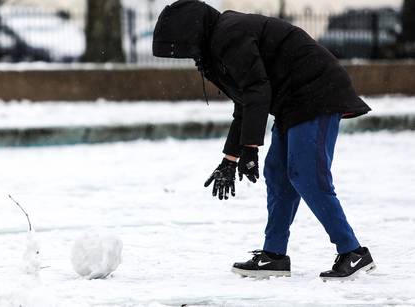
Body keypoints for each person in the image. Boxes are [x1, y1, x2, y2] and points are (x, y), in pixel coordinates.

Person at [152, 0, 376, 281]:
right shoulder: (218, 44)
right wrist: (230, 159)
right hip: (291, 101)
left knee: (306, 174)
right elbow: (245, 102)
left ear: (191, 33)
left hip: (318, 92)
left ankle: (353, 251)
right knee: (279, 174)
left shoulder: (229, 34)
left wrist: (250, 148)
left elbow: (257, 90)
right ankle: (274, 255)